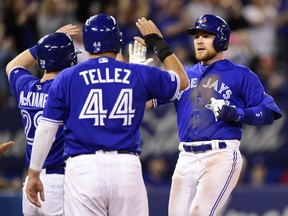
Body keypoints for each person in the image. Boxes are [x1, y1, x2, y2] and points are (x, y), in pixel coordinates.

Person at [25, 13, 189, 216]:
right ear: (118, 42)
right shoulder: (137, 73)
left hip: (84, 168)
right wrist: (158, 43)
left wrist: (34, 172)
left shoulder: (67, 76)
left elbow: (47, 128)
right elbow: (182, 81)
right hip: (126, 167)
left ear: (86, 42)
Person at [146, 14, 282, 216]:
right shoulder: (184, 75)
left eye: (206, 35)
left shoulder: (240, 74)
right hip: (186, 157)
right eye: (196, 36)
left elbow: (271, 111)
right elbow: (147, 102)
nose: (199, 40)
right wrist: (137, 75)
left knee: (199, 213)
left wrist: (237, 114)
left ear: (220, 39)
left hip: (220, 155)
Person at [6, 24, 80, 215]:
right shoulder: (67, 92)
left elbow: (13, 66)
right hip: (58, 183)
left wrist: (42, 46)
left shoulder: (26, 86)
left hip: (31, 180)